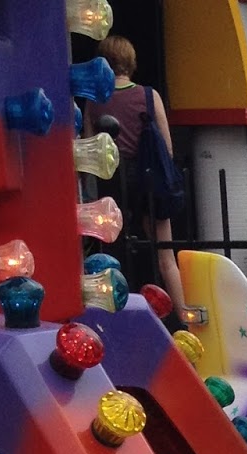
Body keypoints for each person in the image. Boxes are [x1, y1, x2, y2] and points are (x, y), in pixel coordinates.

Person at [87, 35, 189, 326]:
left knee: (114, 256)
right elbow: (167, 147)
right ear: (130, 62)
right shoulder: (148, 95)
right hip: (149, 183)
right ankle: (184, 318)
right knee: (165, 257)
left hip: (112, 186)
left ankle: (117, 318)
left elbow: (89, 150)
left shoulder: (94, 101)